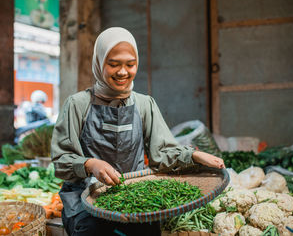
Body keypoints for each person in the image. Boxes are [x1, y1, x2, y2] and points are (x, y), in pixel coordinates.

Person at [51, 27, 225, 236]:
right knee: (92, 230)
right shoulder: (77, 105)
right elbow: (61, 160)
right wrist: (90, 164)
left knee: (149, 231)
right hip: (85, 197)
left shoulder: (144, 104)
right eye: (113, 64)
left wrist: (194, 155)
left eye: (130, 64)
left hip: (133, 192)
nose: (123, 72)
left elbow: (162, 154)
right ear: (99, 63)